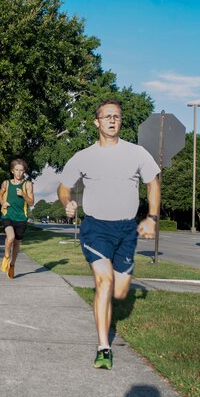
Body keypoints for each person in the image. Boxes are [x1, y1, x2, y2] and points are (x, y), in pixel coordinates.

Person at [58, 99, 161, 370]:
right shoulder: (84, 156)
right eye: (107, 117)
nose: (112, 120)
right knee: (103, 282)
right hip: (96, 229)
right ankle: (104, 347)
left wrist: (151, 218)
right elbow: (64, 186)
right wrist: (66, 202)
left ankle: (113, 288)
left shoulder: (137, 153)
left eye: (116, 116)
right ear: (97, 122)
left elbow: (153, 183)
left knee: (119, 291)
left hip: (127, 229)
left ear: (120, 121)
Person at [0, 159, 34, 279]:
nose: (18, 173)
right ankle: (6, 257)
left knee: (17, 243)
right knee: (10, 237)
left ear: (24, 172)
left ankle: (12, 265)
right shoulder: (6, 183)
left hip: (21, 217)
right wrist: (3, 203)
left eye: (21, 170)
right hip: (7, 215)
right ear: (12, 171)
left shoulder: (27, 184)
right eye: (16, 170)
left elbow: (31, 202)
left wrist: (23, 194)